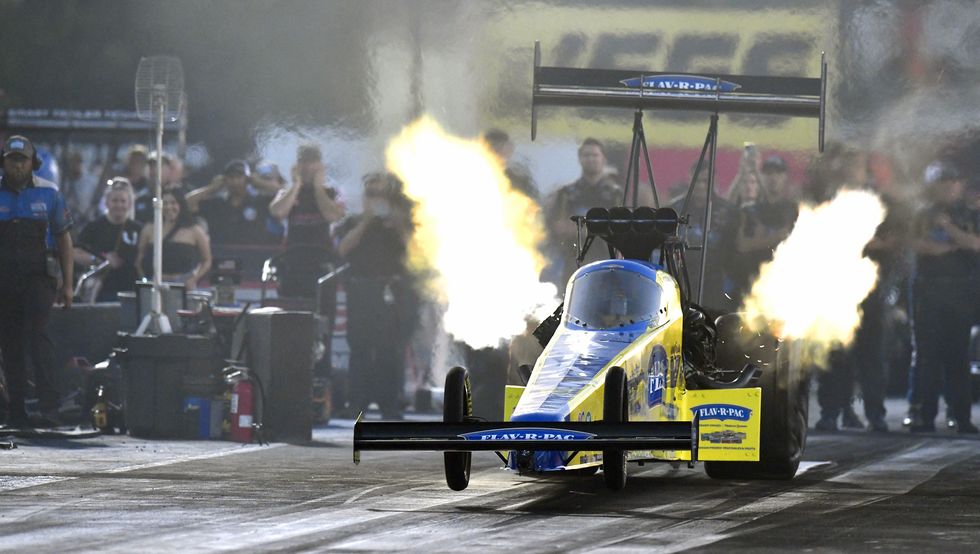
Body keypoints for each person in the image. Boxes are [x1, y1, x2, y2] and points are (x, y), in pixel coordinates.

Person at [0, 135, 74, 428]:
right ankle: (16, 411)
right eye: (11, 159)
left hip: (39, 277)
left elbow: (64, 239)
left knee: (38, 335)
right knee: (10, 343)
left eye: (22, 160)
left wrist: (68, 284)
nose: (16, 165)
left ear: (33, 163)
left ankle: (49, 407)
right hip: (4, 278)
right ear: (4, 161)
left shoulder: (49, 194)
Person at [335, 172, 417, 419]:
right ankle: (356, 402)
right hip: (361, 290)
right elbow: (342, 248)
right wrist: (366, 220)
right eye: (371, 193)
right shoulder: (354, 222)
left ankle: (389, 404)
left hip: (390, 291)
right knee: (359, 347)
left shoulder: (400, 222)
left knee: (389, 349)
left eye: (380, 194)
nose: (376, 198)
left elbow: (415, 250)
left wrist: (396, 219)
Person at [905, 161, 980, 434]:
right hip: (928, 290)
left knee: (957, 355)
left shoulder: (969, 213)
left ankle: (960, 416)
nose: (948, 186)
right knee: (927, 355)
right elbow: (916, 245)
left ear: (960, 184)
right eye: (942, 182)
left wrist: (947, 229)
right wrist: (953, 246)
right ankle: (924, 415)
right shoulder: (921, 213)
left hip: (960, 291)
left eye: (953, 181)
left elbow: (975, 243)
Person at [268, 144, 345, 305]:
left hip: (323, 266)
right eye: (304, 162)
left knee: (322, 315)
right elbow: (277, 212)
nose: (308, 167)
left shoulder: (333, 192)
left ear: (320, 165)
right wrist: (296, 185)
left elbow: (332, 215)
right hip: (292, 264)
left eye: (312, 162)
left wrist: (318, 188)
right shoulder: (287, 193)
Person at [546, 138, 623, 289]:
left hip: (606, 260)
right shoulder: (567, 194)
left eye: (595, 155)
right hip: (574, 261)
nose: (591, 159)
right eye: (587, 155)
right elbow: (557, 227)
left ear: (603, 159)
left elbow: (620, 228)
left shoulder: (615, 194)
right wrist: (598, 228)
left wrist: (580, 229)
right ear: (580, 159)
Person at [73, 177, 142, 302]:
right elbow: (75, 252)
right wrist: (99, 260)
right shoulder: (94, 227)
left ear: (130, 203)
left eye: (123, 201)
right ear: (106, 202)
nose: (119, 205)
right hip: (102, 290)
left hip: (130, 289)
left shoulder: (138, 229)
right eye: (115, 200)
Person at [186, 159, 283, 246]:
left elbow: (283, 193)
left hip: (252, 255)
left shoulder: (260, 202)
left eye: (239, 177)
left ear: (247, 179)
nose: (235, 181)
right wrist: (211, 188)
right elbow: (187, 203)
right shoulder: (216, 204)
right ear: (225, 180)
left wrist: (259, 183)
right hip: (220, 255)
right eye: (231, 177)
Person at [135, 187, 212, 290]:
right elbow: (140, 258)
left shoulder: (195, 230)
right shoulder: (149, 229)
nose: (169, 207)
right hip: (155, 282)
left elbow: (207, 260)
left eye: (173, 203)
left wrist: (193, 279)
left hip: (183, 283)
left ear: (181, 205)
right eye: (165, 203)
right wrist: (145, 280)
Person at [483, 128, 539, 201]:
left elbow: (531, 202)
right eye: (495, 148)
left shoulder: (518, 178)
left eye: (501, 147)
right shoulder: (478, 176)